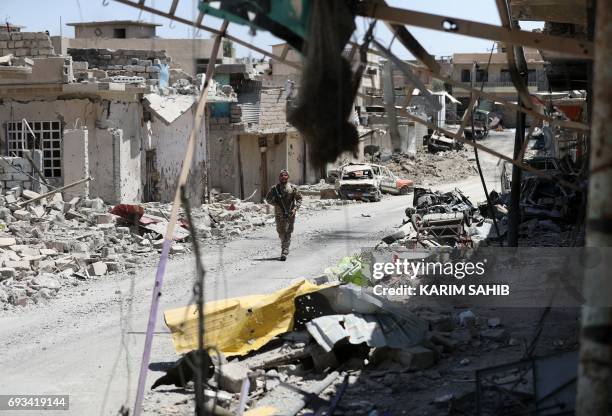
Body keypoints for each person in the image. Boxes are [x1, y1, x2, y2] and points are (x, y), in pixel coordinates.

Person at [265, 169, 302, 261]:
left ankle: (284, 251)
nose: (283, 177)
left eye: (285, 175)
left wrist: (295, 209)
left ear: (288, 177)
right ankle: (284, 244)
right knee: (280, 232)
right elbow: (268, 199)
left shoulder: (293, 188)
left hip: (290, 213)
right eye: (281, 175)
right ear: (279, 177)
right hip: (279, 213)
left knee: (288, 232)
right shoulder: (274, 189)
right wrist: (276, 203)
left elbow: (299, 199)